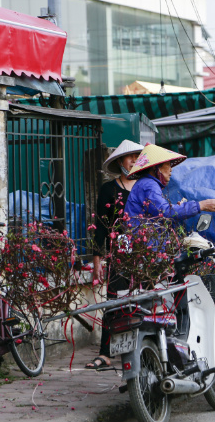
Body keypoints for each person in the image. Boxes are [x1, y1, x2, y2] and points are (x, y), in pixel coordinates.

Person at [86, 139, 143, 370]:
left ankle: (140, 347)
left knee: (144, 302)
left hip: (144, 255)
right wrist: (97, 260)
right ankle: (105, 353)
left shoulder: (145, 187)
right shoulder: (108, 190)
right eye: (130, 157)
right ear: (120, 161)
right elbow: (100, 227)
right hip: (119, 255)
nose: (134, 161)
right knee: (114, 303)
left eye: (138, 157)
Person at [124, 144, 215, 223]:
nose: (171, 170)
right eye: (168, 165)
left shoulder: (146, 183)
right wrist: (201, 205)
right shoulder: (149, 185)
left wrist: (178, 208)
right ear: (156, 167)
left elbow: (159, 214)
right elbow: (165, 212)